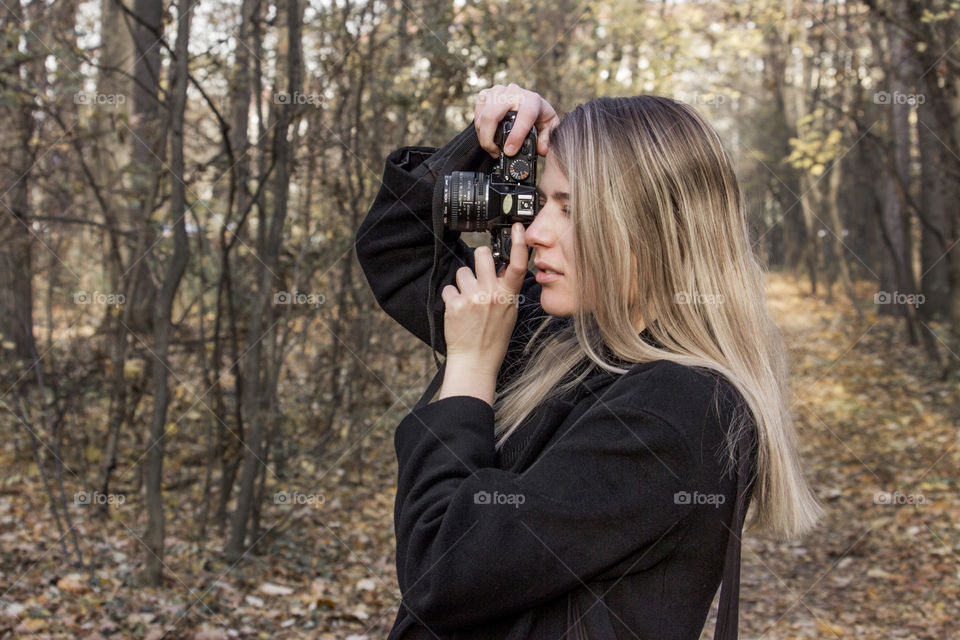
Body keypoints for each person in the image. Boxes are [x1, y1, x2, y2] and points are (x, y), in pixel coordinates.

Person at [355, 83, 821, 640]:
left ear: (657, 231)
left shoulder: (678, 411)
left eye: (570, 209)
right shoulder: (570, 340)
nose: (535, 232)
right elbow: (396, 246)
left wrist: (471, 369)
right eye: (541, 200)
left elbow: (442, 568)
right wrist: (499, 141)